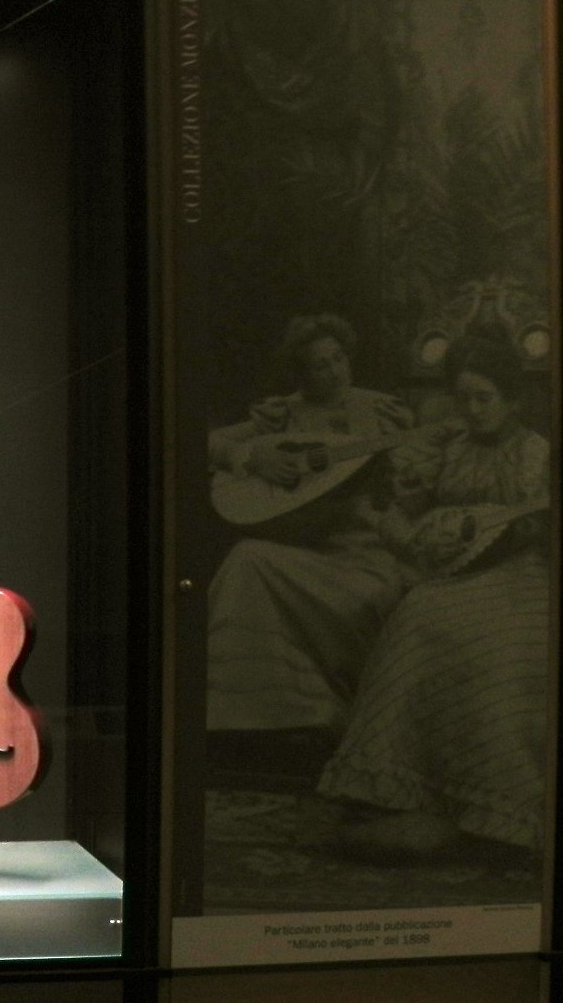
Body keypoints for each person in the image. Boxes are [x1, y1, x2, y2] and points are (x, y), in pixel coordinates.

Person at [319, 332, 550, 859]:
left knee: (452, 624)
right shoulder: (453, 446)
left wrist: (494, 535)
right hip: (448, 572)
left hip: (520, 577)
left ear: (513, 399)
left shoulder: (534, 453)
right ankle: (396, 792)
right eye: (463, 398)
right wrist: (405, 515)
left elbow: (531, 525)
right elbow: (412, 510)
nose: (472, 410)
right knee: (419, 613)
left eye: (484, 398)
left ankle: (486, 805)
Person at [205, 313, 417, 759]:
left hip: (367, 554)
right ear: (302, 374)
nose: (335, 370)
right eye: (320, 365)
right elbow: (203, 445)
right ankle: (257, 722)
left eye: (339, 358)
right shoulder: (284, 413)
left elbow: (416, 480)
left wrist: (406, 447)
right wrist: (252, 454)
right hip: (306, 552)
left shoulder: (380, 409)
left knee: (367, 593)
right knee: (248, 559)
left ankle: (318, 715)